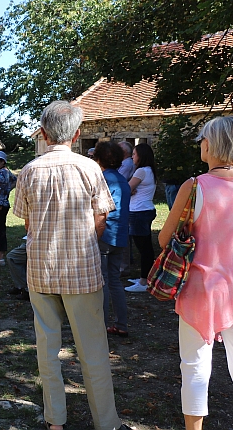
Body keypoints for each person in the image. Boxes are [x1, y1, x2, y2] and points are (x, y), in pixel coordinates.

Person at [13, 101, 131, 430]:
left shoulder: (30, 170)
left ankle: (55, 421)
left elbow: (26, 223)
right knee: (93, 349)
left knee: (47, 349)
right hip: (82, 269)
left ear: (44, 132)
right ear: (77, 134)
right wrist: (84, 241)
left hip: (42, 270)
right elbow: (102, 216)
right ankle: (106, 422)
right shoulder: (90, 169)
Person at [161, 116, 233, 430]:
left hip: (201, 291)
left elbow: (165, 238)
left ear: (210, 145)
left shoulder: (194, 187)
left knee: (194, 370)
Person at [94, 141, 131, 337]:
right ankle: (121, 323)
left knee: (102, 280)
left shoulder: (103, 180)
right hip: (120, 235)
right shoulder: (122, 179)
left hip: (105, 234)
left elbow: (102, 211)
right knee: (114, 280)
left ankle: (100, 324)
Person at [124, 143, 158, 293]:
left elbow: (125, 189)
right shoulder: (150, 170)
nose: (132, 157)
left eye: (134, 154)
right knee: (146, 247)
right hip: (146, 209)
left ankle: (144, 281)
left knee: (143, 249)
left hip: (139, 212)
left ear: (141, 156)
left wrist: (129, 190)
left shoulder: (141, 172)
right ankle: (147, 277)